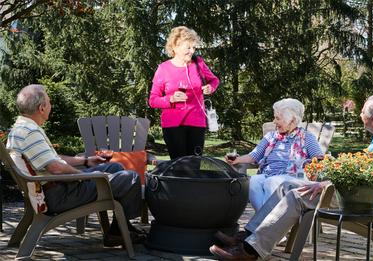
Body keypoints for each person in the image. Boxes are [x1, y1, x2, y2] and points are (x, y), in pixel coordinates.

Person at [210, 94, 373, 260]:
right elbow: (363, 175)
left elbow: (364, 179)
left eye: (362, 112)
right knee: (286, 185)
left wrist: (325, 183)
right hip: (358, 197)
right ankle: (247, 236)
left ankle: (250, 251)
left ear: (372, 120)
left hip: (361, 204)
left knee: (296, 196)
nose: (359, 114)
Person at [6, 84, 144, 247]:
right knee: (132, 179)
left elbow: (53, 159)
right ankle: (117, 231)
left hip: (53, 189)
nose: (51, 106)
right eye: (49, 102)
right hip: (59, 195)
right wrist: (88, 177)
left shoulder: (22, 127)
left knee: (115, 168)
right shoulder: (30, 132)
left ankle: (119, 229)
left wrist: (86, 161)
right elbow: (56, 168)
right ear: (41, 108)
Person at [227, 98, 323, 212]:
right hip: (268, 175)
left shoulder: (307, 137)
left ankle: (263, 225)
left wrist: (311, 170)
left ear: (291, 120)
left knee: (271, 182)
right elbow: (254, 155)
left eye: (278, 118)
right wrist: (237, 160)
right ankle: (267, 224)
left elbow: (320, 159)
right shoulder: (271, 136)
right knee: (253, 181)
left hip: (294, 177)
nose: (274, 122)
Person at [149, 26, 220, 160]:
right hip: (173, 125)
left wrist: (210, 87)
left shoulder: (198, 63)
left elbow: (214, 80)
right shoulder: (163, 69)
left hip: (197, 122)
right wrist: (170, 99)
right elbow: (153, 100)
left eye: (194, 47)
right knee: (178, 166)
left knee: (195, 165)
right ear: (175, 47)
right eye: (188, 47)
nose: (192, 51)